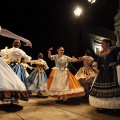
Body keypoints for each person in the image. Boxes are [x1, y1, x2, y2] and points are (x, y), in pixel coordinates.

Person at [89, 30, 120, 112]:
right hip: (103, 72)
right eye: (101, 43)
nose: (101, 45)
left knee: (113, 89)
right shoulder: (101, 53)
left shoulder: (113, 50)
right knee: (101, 89)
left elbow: (118, 45)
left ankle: (115, 106)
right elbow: (98, 62)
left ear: (108, 43)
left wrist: (117, 35)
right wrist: (95, 64)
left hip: (112, 70)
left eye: (103, 43)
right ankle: (102, 105)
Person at [0, 26, 32, 104]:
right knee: (18, 82)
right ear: (19, 45)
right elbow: (27, 59)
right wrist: (29, 58)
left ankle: (8, 98)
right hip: (17, 67)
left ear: (12, 44)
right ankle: (15, 99)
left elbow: (2, 54)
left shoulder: (7, 50)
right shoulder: (20, 51)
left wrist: (5, 49)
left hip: (8, 67)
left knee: (9, 83)